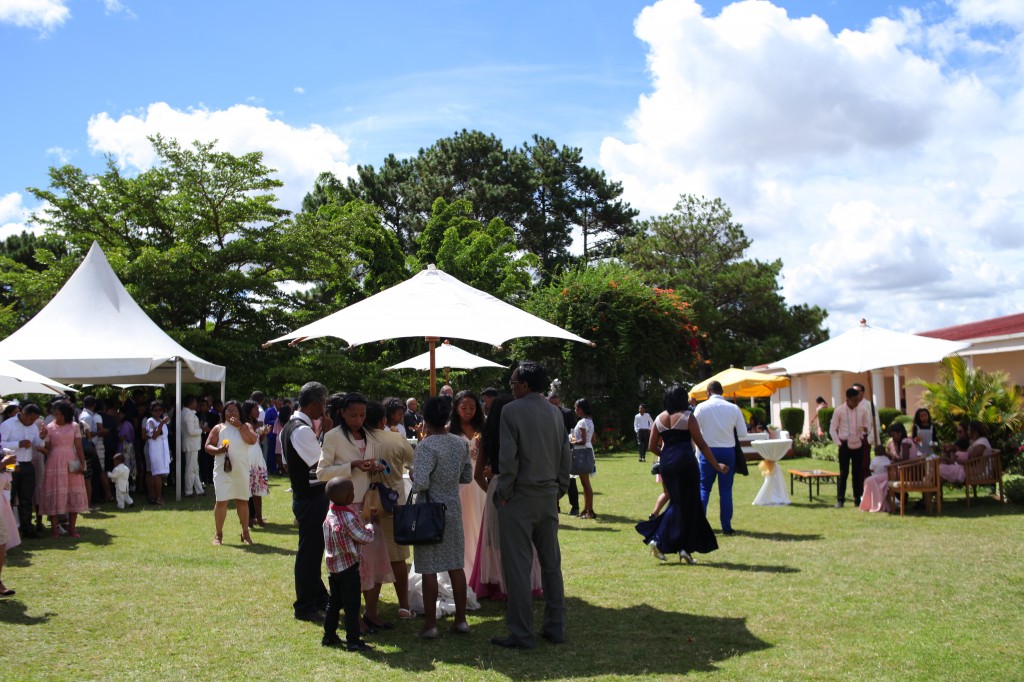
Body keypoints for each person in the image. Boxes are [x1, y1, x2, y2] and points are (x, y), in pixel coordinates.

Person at [493, 361, 571, 649]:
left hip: (519, 497)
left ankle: (521, 633)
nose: (511, 388)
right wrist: (560, 488)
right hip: (548, 495)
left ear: (524, 385)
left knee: (518, 568)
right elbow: (566, 453)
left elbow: (508, 458)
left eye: (513, 383)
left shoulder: (511, 410)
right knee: (551, 565)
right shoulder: (555, 412)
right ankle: (555, 627)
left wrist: (504, 491)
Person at [317, 392, 395, 633]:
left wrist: (379, 466)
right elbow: (322, 473)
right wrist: (351, 466)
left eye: (362, 415)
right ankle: (356, 615)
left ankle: (371, 612)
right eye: (353, 415)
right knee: (355, 566)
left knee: (376, 561)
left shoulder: (370, 435)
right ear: (342, 412)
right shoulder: (332, 437)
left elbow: (384, 466)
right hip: (346, 507)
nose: (358, 420)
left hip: (370, 504)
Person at [636, 385, 726, 565]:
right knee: (688, 503)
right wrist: (716, 465)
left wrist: (666, 456)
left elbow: (652, 447)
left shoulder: (659, 418)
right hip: (685, 461)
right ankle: (664, 541)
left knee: (677, 502)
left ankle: (680, 546)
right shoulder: (687, 417)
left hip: (667, 464)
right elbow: (702, 445)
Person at [409, 397, 474, 639]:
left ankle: (430, 625)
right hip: (453, 509)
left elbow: (421, 483)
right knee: (456, 565)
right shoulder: (459, 444)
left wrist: (413, 474)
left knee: (428, 568)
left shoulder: (426, 446)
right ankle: (461, 620)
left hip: (429, 510)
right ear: (448, 417)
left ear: (424, 419)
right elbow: (467, 476)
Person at [281, 382, 333, 623]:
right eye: (324, 405)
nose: (325, 410)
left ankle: (319, 597)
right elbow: (321, 462)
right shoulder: (301, 429)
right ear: (314, 404)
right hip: (311, 497)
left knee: (312, 551)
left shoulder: (294, 426)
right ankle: (304, 605)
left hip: (308, 496)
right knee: (309, 554)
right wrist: (327, 433)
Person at [363, 400, 416, 620]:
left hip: (365, 503)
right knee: (398, 557)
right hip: (393, 503)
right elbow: (412, 463)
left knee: (368, 557)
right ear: (384, 419)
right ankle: (403, 605)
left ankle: (370, 609)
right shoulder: (396, 438)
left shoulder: (360, 439)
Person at [322, 477, 376, 652]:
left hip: (333, 568)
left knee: (334, 603)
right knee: (352, 606)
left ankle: (329, 636)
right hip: (348, 569)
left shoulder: (330, 513)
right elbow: (365, 537)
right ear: (347, 497)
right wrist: (370, 524)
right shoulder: (347, 517)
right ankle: (353, 640)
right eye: (352, 491)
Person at [692, 381, 747, 535]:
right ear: (721, 392)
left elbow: (694, 430)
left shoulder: (701, 407)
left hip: (707, 451)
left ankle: (699, 525)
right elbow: (743, 433)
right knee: (726, 490)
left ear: (709, 391)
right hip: (728, 451)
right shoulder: (733, 408)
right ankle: (726, 527)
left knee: (704, 488)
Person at [204, 400, 255, 546]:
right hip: (222, 470)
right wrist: (218, 450)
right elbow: (207, 446)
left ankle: (245, 533)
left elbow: (252, 440)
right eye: (228, 410)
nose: (231, 413)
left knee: (242, 500)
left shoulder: (245, 426)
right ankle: (218, 534)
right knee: (221, 501)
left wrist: (240, 426)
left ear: (240, 413)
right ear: (223, 413)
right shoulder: (218, 428)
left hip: (241, 469)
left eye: (234, 410)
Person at [449, 389, 486, 577]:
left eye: (472, 407)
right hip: (460, 483)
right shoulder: (449, 430)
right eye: (463, 407)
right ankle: (463, 566)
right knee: (462, 523)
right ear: (456, 409)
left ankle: (481, 568)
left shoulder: (483, 428)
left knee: (480, 522)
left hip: (480, 482)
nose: (468, 411)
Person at [42, 401, 88, 538]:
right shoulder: (50, 427)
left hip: (70, 460)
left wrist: (82, 463)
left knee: (73, 492)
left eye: (58, 414)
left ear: (65, 414)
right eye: (54, 414)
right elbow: (47, 447)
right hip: (54, 461)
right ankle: (55, 529)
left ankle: (72, 528)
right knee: (55, 492)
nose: (56, 417)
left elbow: (79, 446)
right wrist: (43, 436)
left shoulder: (74, 426)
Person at [1, 403, 46, 538]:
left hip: (27, 463)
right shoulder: (8, 424)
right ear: (24, 414)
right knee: (9, 497)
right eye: (31, 419)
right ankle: (7, 530)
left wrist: (42, 439)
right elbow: (1, 444)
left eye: (35, 419)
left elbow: (37, 443)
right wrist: (18, 444)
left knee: (26, 498)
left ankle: (27, 528)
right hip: (10, 463)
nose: (33, 422)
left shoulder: (32, 426)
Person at [828, 387, 874, 508]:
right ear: (847, 399)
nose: (856, 403)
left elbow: (866, 426)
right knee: (843, 472)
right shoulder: (839, 410)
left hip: (857, 443)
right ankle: (840, 500)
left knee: (857, 473)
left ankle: (857, 499)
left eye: (857, 401)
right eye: (853, 401)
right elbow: (832, 429)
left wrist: (863, 431)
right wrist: (838, 443)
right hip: (844, 444)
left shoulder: (862, 410)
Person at [859, 424, 913, 512]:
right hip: (901, 472)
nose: (892, 438)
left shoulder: (905, 442)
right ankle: (876, 503)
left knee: (870, 480)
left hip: (905, 473)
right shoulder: (904, 442)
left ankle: (873, 504)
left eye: (893, 435)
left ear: (900, 433)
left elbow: (905, 460)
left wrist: (893, 460)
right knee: (873, 480)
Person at [547, 393, 579, 516]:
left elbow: (573, 430)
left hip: (566, 450)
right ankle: (555, 506)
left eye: (556, 403)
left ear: (559, 402)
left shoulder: (567, 413)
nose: (555, 406)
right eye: (552, 404)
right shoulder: (546, 414)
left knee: (571, 480)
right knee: (552, 480)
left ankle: (575, 506)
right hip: (551, 452)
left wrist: (572, 444)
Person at [241, 400, 270, 528]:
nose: (258, 411)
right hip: (247, 456)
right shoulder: (242, 424)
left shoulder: (258, 423)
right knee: (247, 490)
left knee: (258, 488)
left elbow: (259, 440)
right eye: (255, 409)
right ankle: (248, 518)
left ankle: (259, 517)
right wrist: (257, 427)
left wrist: (264, 433)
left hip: (257, 456)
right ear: (249, 410)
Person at [570, 398, 597, 519]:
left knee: (585, 483)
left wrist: (572, 440)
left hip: (582, 453)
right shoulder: (590, 421)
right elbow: (593, 440)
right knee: (585, 483)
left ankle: (589, 510)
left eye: (576, 408)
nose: (575, 410)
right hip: (589, 451)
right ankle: (586, 508)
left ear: (580, 409)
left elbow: (583, 440)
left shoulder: (582, 422)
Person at [144, 401, 171, 506]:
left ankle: (155, 496)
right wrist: (162, 424)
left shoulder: (161, 420)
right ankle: (158, 497)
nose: (158, 412)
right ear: (151, 411)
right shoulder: (150, 421)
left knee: (160, 474)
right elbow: (154, 435)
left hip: (163, 449)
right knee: (156, 474)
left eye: (160, 410)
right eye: (156, 410)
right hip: (155, 449)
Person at [180, 396, 205, 497]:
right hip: (191, 444)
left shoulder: (185, 412)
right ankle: (188, 490)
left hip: (193, 444)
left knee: (195, 468)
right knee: (190, 468)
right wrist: (201, 430)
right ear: (190, 403)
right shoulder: (188, 414)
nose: (196, 404)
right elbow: (191, 431)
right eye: (195, 402)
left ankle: (199, 489)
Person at [0, 450, 16, 596]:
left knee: (1, 546)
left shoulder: (4, 452)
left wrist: (10, 464)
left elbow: (7, 485)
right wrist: (4, 463)